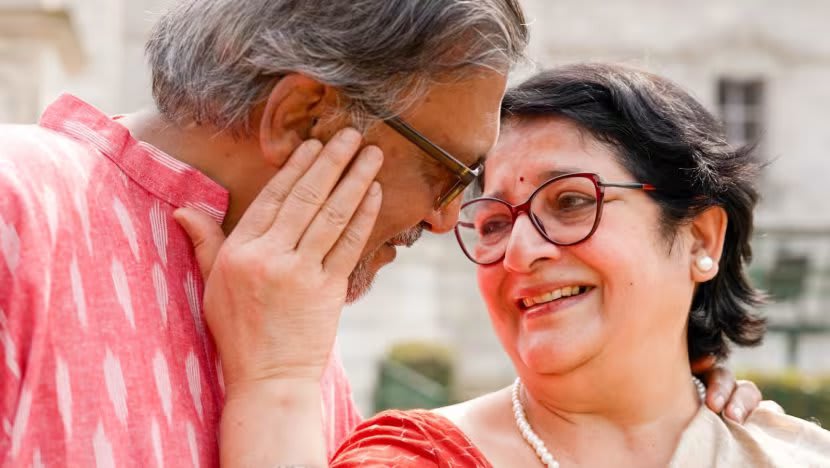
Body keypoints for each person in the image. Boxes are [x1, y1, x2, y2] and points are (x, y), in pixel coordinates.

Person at [202, 64, 830, 467]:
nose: (521, 253)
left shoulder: (788, 454)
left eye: (571, 202)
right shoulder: (419, 459)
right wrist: (274, 381)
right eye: (495, 222)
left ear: (700, 237)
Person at [0, 1, 529, 466]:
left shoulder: (284, 312)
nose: (444, 219)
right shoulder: (16, 214)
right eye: (447, 172)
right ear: (303, 117)